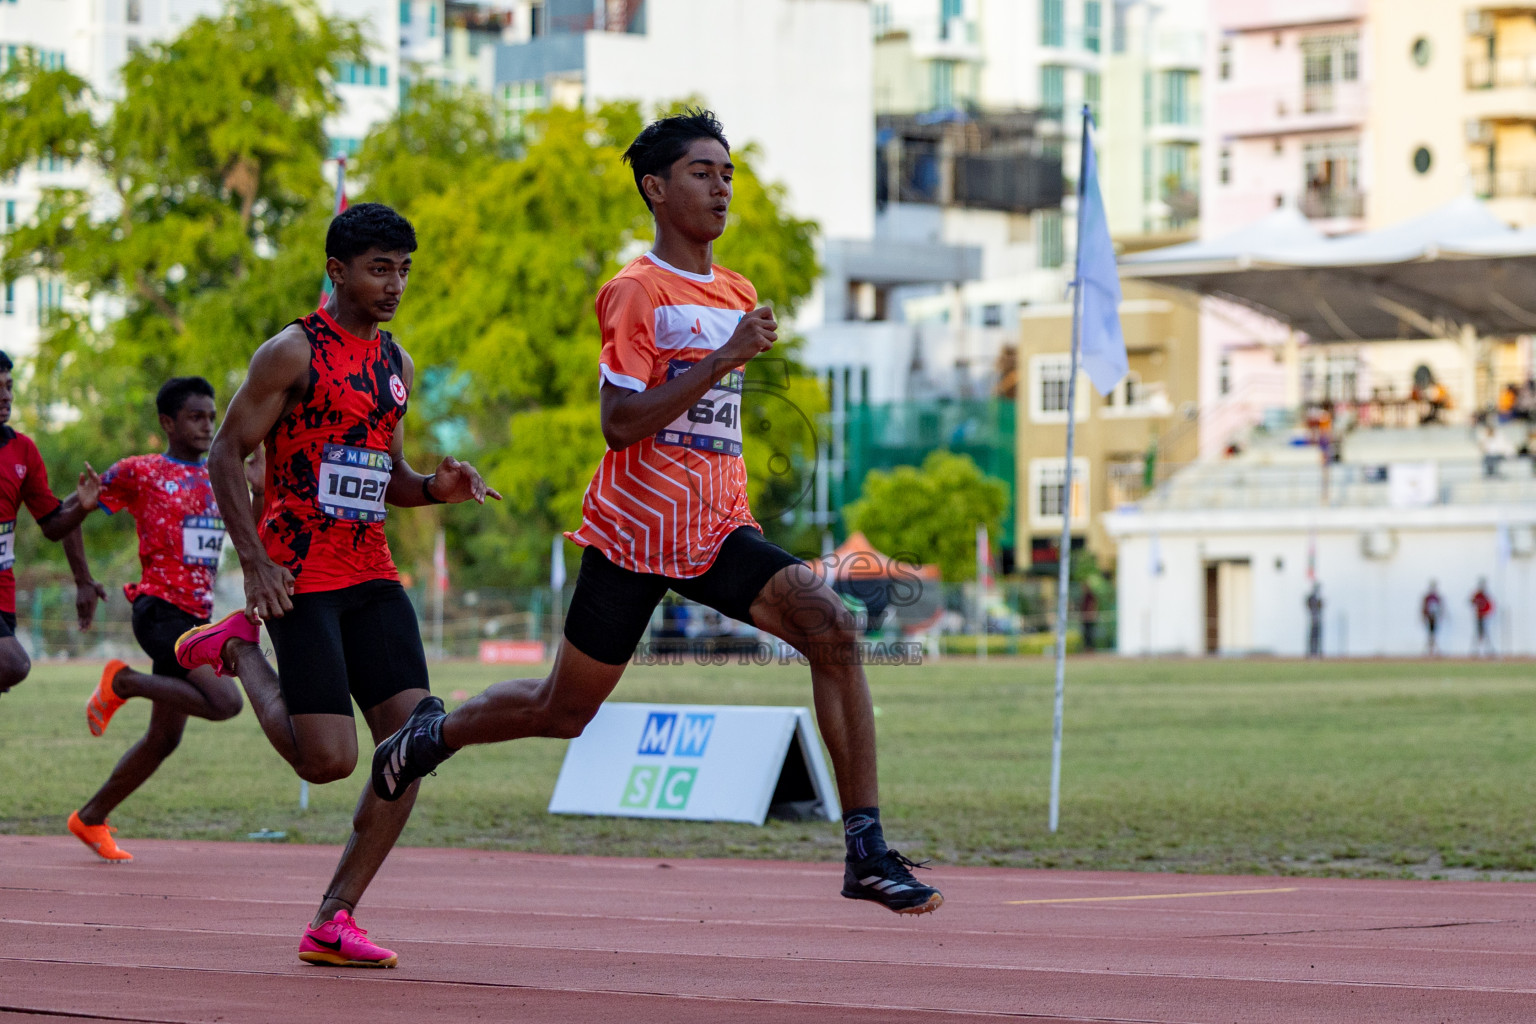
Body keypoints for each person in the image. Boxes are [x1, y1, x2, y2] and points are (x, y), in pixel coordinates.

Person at [368, 110, 943, 916]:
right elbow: (621, 423)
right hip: (635, 534)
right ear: (655, 187)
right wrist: (723, 357)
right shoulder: (635, 291)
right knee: (561, 711)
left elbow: (711, 421)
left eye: (727, 172)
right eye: (703, 172)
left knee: (833, 629)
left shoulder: (737, 289)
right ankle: (430, 736)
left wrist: (729, 376)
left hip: (714, 532)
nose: (721, 186)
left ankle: (865, 851)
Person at [172, 203, 500, 967]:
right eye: (380, 268)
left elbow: (387, 478)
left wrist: (436, 487)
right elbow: (225, 454)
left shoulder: (397, 365)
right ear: (338, 271)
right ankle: (239, 651)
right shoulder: (292, 353)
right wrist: (252, 562)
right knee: (327, 761)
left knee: (415, 743)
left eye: (404, 270)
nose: (394, 285)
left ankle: (333, 918)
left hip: (372, 573)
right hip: (300, 574)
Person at [52, 378, 261, 862]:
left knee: (164, 738)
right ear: (167, 423)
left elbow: (256, 533)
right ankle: (124, 682)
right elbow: (70, 512)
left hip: (197, 615)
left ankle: (90, 817)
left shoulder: (220, 473)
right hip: (160, 612)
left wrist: (257, 491)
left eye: (212, 416)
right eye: (195, 417)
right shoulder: (142, 471)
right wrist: (84, 581)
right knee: (226, 703)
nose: (207, 425)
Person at [0, 349, 106, 697]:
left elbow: (53, 522)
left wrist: (83, 508)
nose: (5, 396)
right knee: (14, 664)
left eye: (9, 386)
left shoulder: (22, 451)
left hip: (4, 593)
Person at [1471, 579, 1495, 658]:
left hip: (1484, 618)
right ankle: (1477, 651)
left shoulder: (1485, 596)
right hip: (1478, 617)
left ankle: (1487, 651)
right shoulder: (1477, 595)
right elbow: (1472, 601)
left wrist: (1486, 613)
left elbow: (1489, 605)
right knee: (1478, 634)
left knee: (1485, 634)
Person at [1421, 581, 1442, 656]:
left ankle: (1433, 650)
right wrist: (1423, 616)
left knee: (1433, 634)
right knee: (1430, 634)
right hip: (1429, 618)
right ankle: (1430, 650)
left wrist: (1440, 616)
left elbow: (1440, 607)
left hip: (1434, 618)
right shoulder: (1427, 597)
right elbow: (1423, 607)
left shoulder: (1437, 597)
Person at [1305, 583, 1323, 658]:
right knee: (1312, 638)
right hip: (1313, 620)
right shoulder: (1311, 598)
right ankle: (1311, 653)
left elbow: (1321, 607)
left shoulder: (1319, 599)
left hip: (1317, 620)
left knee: (1317, 638)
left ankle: (1317, 653)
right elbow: (1308, 605)